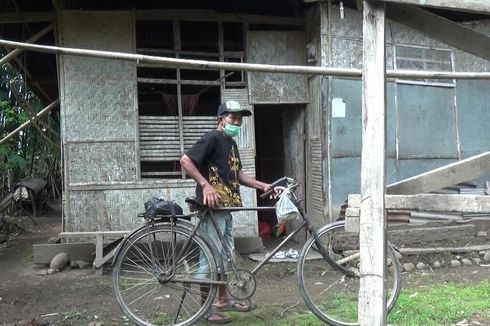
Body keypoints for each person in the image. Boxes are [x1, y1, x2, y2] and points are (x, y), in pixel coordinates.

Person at [180, 100, 272, 324]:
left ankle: (222, 300)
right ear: (221, 119)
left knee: (223, 257)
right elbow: (186, 160)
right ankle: (204, 310)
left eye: (239, 119)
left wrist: (262, 186)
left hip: (226, 209)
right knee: (210, 259)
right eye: (232, 117)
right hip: (211, 209)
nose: (236, 122)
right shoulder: (212, 138)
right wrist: (205, 185)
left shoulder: (231, 143)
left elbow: (238, 175)